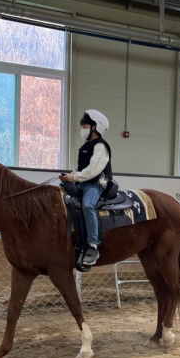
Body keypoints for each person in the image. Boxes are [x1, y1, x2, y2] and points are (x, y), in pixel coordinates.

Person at [59, 110, 112, 265]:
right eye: (82, 126)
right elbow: (80, 168)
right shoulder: (85, 146)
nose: (83, 129)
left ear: (96, 127)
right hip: (83, 182)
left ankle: (93, 246)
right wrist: (69, 176)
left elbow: (93, 169)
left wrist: (74, 177)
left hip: (96, 184)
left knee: (88, 206)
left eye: (86, 126)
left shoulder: (101, 146)